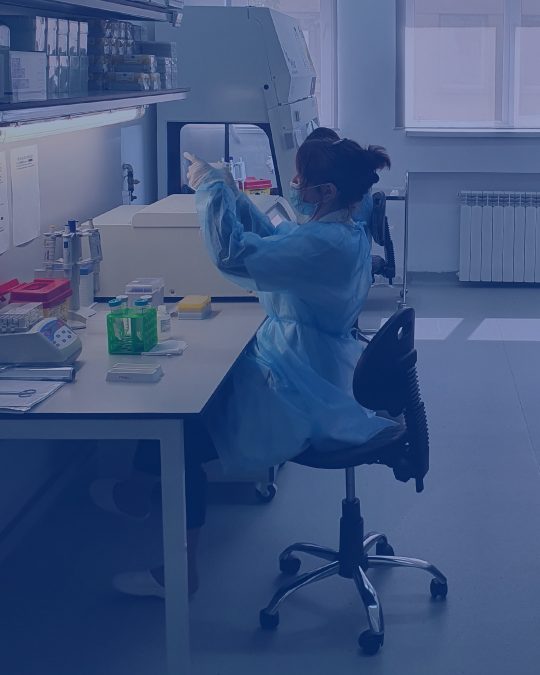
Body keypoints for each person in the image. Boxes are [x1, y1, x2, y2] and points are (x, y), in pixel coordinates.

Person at [96, 136, 395, 599]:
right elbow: (280, 239)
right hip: (312, 361)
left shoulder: (324, 243)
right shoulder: (344, 230)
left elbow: (234, 255)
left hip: (302, 383)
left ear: (327, 192)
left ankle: (179, 572)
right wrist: (235, 195)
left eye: (301, 179)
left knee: (181, 428)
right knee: (188, 400)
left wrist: (211, 191)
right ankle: (135, 495)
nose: (293, 184)